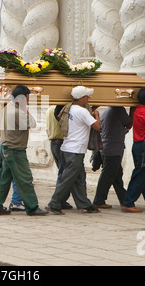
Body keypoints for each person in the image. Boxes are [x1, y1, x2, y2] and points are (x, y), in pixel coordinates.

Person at [0, 85, 48, 216]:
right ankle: (32, 207)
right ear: (21, 99)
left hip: (6, 148)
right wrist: (26, 111)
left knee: (3, 179)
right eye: (27, 98)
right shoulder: (18, 112)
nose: (28, 101)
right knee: (25, 179)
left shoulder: (7, 108)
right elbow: (33, 124)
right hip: (15, 150)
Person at [46, 86, 101, 214]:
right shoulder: (81, 112)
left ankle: (85, 204)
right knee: (68, 178)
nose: (88, 98)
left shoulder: (69, 108)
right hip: (74, 151)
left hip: (68, 149)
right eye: (87, 96)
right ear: (81, 98)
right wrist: (97, 115)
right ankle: (54, 203)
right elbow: (97, 126)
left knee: (79, 178)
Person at [0, 103, 25, 212]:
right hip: (7, 143)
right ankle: (13, 201)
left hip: (3, 142)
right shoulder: (5, 109)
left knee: (6, 175)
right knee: (11, 174)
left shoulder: (1, 108)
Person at [93, 106, 132, 208]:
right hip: (113, 149)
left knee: (116, 176)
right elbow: (129, 123)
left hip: (107, 147)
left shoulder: (107, 110)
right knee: (107, 176)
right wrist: (133, 108)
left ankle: (124, 200)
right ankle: (99, 200)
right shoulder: (118, 109)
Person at [46, 105, 73, 210]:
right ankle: (59, 200)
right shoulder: (62, 110)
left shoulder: (49, 109)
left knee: (62, 172)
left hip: (54, 142)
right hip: (61, 143)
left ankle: (61, 199)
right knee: (63, 174)